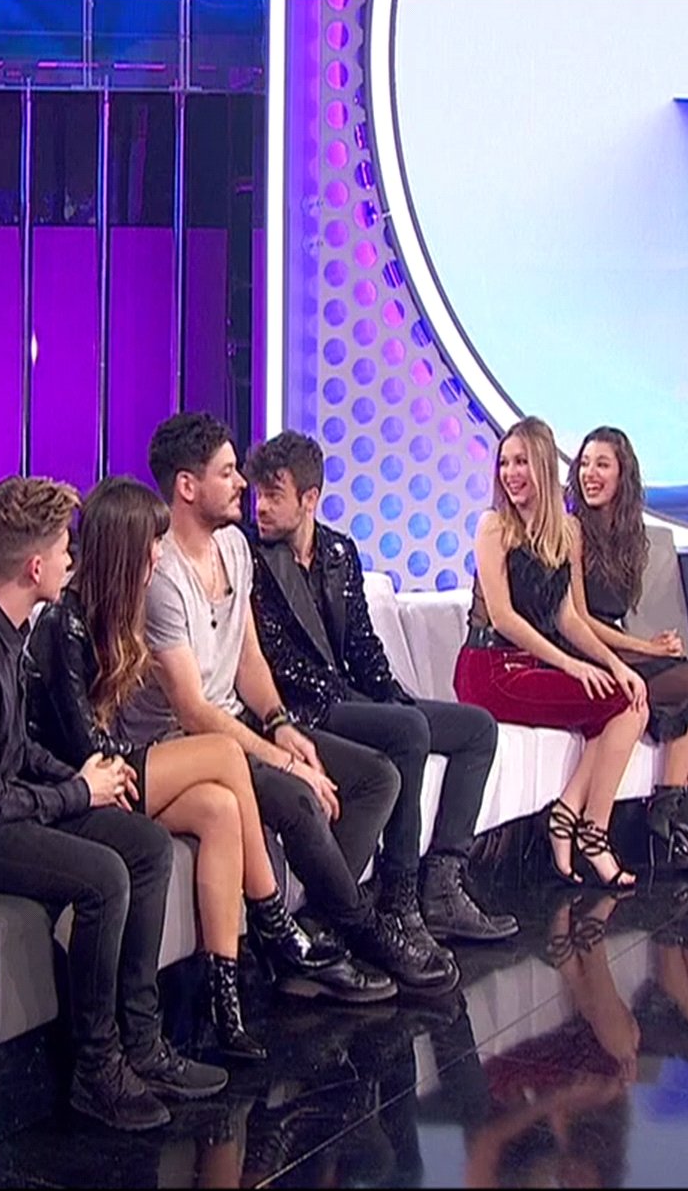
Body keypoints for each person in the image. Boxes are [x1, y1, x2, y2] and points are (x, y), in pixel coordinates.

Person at [0, 477, 226, 1131]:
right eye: (64, 549)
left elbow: (16, 749)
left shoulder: (4, 626)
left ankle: (143, 1041)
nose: (73, 558)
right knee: (102, 878)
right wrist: (78, 793)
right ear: (35, 568)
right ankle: (97, 1069)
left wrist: (83, 775)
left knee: (145, 846)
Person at [122, 411, 447, 996]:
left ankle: (320, 929)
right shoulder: (161, 577)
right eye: (228, 473)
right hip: (186, 743)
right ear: (187, 487)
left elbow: (249, 659)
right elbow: (194, 712)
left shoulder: (233, 548)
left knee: (376, 778)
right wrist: (284, 762)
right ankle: (364, 931)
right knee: (300, 798)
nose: (242, 485)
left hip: (239, 722)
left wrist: (280, 725)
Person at [27, 476, 348, 1063]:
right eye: (150, 545)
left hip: (119, 769)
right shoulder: (63, 622)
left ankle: (224, 1004)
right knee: (224, 753)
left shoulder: (118, 611)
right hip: (83, 783)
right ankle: (273, 917)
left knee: (220, 808)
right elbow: (84, 745)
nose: (158, 556)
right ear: (124, 549)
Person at [245, 430, 519, 945]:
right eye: (258, 493)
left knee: (477, 729)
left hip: (352, 696)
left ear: (309, 499)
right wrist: (387, 711)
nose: (259, 506)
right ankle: (398, 897)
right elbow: (276, 662)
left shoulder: (339, 551)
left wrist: (392, 696)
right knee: (407, 729)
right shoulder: (253, 559)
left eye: (273, 495)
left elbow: (364, 644)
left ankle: (443, 883)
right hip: (305, 708)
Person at [455, 416, 650, 888]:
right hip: (489, 669)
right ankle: (593, 835)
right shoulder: (493, 527)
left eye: (521, 462)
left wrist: (615, 665)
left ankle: (568, 818)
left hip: (529, 666)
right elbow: (503, 618)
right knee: (623, 707)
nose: (511, 473)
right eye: (505, 463)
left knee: (627, 699)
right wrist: (571, 665)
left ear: (542, 465)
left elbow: (569, 618)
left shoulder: (565, 533)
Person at [566, 426, 688, 874]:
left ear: (623, 474)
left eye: (602, 464)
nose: (590, 474)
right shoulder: (571, 530)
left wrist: (651, 649)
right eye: (585, 464)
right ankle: (665, 820)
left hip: (617, 647)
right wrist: (646, 647)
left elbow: (615, 617)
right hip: (586, 651)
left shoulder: (629, 537)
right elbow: (580, 620)